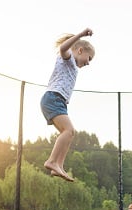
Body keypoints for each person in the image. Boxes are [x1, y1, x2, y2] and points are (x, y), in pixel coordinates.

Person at [40, 28, 95, 182]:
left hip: (59, 101)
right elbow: (63, 48)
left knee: (69, 133)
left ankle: (58, 166)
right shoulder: (67, 57)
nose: (88, 63)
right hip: (53, 98)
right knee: (69, 130)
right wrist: (81, 34)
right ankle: (51, 161)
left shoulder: (73, 66)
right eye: (89, 58)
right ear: (80, 50)